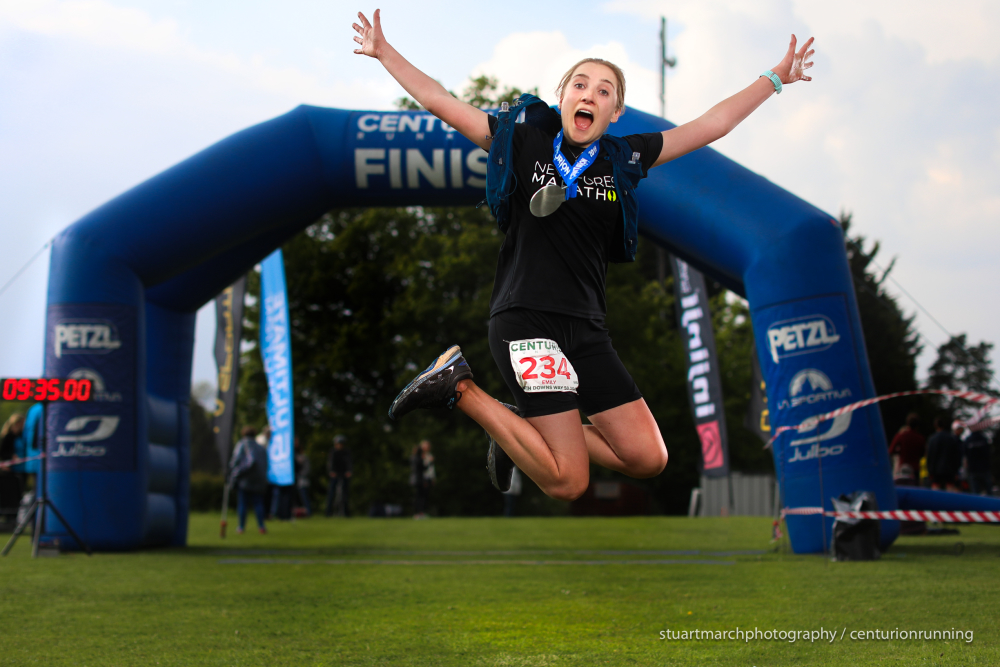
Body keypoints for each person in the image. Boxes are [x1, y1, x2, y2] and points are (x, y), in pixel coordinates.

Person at [353, 10, 815, 499]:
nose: (590, 94)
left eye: (604, 91)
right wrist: (384, 52)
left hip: (587, 330)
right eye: (580, 84)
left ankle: (514, 426)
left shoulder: (624, 158)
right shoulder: (523, 142)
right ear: (562, 98)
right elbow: (441, 102)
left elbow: (711, 125)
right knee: (568, 481)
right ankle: (457, 386)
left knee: (647, 456)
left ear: (615, 112)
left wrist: (775, 78)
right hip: (527, 322)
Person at [229, 426, 269, 534]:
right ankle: (261, 526)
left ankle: (241, 527)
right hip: (259, 481)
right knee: (258, 504)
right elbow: (266, 464)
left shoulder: (242, 445)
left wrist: (233, 472)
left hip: (245, 480)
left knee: (243, 504)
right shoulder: (261, 448)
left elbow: (235, 460)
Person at [888, 413, 925, 486]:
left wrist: (899, 452)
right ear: (917, 425)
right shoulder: (921, 438)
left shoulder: (901, 436)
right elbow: (922, 453)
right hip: (915, 469)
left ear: (907, 424)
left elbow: (891, 450)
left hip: (902, 467)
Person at [926, 417, 962, 492]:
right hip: (949, 470)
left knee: (936, 490)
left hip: (936, 470)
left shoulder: (932, 439)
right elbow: (956, 455)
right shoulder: (951, 438)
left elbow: (930, 456)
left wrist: (930, 471)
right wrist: (956, 470)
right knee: (950, 490)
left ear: (935, 425)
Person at [325, 435, 352, 517]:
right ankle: (328, 512)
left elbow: (349, 463)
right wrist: (331, 471)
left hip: (344, 474)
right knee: (331, 493)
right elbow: (330, 463)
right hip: (335, 475)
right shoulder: (333, 452)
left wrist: (349, 471)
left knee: (345, 494)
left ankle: (346, 513)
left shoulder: (346, 452)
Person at [962, 426, 992, 496]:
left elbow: (965, 456)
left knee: (975, 493)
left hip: (973, 470)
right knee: (989, 493)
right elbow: (988, 454)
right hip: (985, 469)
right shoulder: (984, 439)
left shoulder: (968, 440)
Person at [410, 439, 435, 519]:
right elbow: (424, 468)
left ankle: (420, 513)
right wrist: (430, 462)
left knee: (421, 497)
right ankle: (419, 513)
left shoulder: (415, 457)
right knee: (420, 497)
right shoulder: (419, 458)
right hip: (421, 479)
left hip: (420, 479)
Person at [294, 437, 312, 516]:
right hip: (296, 480)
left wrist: (301, 475)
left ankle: (308, 511)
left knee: (304, 496)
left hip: (302, 480)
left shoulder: (304, 458)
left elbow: (307, 469)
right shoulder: (295, 457)